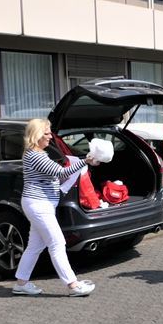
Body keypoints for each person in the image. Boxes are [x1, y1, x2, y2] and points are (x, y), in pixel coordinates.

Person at [13, 119, 99, 297]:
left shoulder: (36, 154)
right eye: (46, 133)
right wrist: (86, 161)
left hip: (39, 204)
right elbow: (61, 172)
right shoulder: (35, 155)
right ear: (36, 135)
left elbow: (54, 176)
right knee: (57, 243)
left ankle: (21, 284)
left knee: (34, 246)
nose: (50, 136)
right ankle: (73, 285)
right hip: (39, 205)